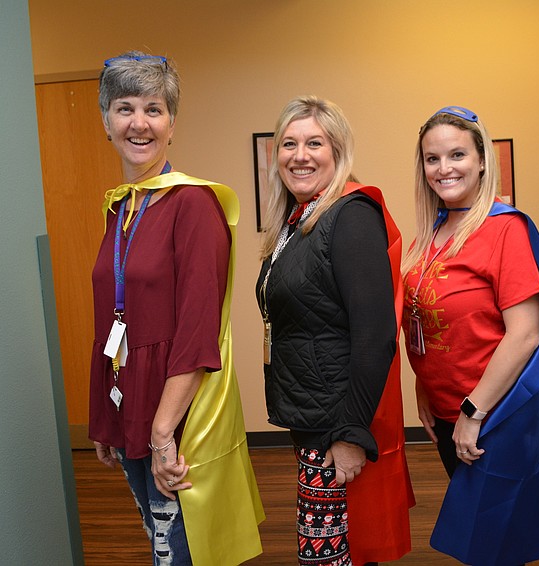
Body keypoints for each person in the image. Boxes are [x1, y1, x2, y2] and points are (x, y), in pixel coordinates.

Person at [88, 51, 264, 565]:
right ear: (106, 120)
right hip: (130, 405)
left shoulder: (193, 204)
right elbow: (111, 321)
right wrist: (108, 418)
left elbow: (196, 331)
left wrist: (162, 432)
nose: (139, 123)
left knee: (184, 550)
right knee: (161, 543)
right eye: (124, 108)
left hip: (174, 412)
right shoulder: (120, 206)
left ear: (172, 124)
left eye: (154, 108)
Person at [401, 106, 539, 566]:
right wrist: (424, 385)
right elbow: (430, 317)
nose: (444, 168)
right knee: (483, 542)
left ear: (481, 160)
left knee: (493, 540)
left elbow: (525, 335)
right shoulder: (433, 232)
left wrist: (474, 412)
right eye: (432, 159)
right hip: (449, 411)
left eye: (456, 155)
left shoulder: (505, 228)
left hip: (495, 415)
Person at [256, 95, 414, 566]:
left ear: (338, 151)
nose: (299, 155)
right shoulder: (298, 220)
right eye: (289, 143)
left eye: (314, 143)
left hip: (333, 424)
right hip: (311, 415)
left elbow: (376, 334)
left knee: (326, 557)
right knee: (328, 553)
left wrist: (348, 434)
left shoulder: (349, 216)